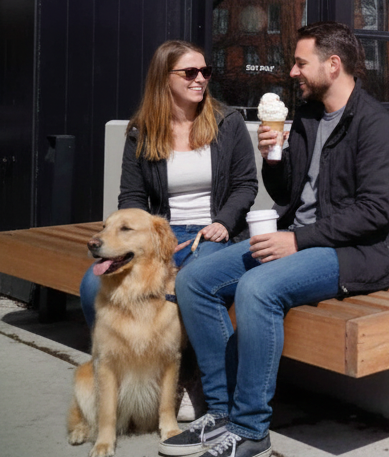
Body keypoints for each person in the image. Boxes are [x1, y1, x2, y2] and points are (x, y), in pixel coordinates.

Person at [164, 22, 389, 457]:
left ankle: (251, 429)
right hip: (297, 235)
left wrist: (297, 238)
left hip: (354, 254)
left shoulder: (376, 127)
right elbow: (284, 194)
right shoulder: (310, 117)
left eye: (300, 62)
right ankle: (221, 411)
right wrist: (273, 155)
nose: (292, 71)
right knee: (196, 279)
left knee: (257, 288)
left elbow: (374, 212)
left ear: (333, 65)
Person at [79, 40, 257, 331]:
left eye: (205, 71)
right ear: (164, 77)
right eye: (190, 73)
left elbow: (245, 185)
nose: (200, 79)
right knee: (90, 286)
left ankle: (189, 366)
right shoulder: (142, 132)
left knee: (189, 283)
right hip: (161, 234)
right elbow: (133, 197)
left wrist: (224, 222)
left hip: (213, 234)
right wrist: (144, 240)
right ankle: (117, 361)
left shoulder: (228, 122)